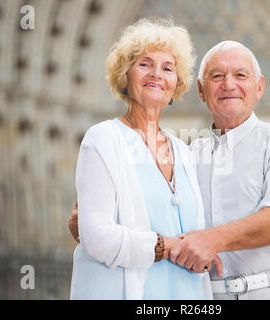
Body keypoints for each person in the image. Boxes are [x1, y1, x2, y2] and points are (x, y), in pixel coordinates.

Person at [69, 40, 270, 300]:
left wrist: (212, 240)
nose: (229, 84)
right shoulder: (186, 155)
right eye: (216, 76)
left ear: (259, 86)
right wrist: (95, 226)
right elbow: (153, 216)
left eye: (241, 75)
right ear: (201, 90)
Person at [69, 17, 221, 300]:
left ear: (176, 85)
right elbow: (96, 236)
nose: (156, 74)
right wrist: (167, 246)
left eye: (167, 68)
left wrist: (206, 250)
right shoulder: (103, 139)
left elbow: (194, 235)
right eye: (144, 64)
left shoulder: (183, 151)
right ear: (125, 77)